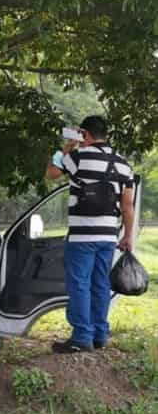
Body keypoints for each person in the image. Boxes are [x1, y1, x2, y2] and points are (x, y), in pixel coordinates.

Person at [46, 115, 135, 354]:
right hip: (108, 237)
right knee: (100, 284)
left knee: (79, 284)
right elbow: (127, 205)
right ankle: (100, 335)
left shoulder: (78, 158)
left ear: (84, 134)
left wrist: (66, 147)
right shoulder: (123, 164)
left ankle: (81, 337)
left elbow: (52, 173)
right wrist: (127, 236)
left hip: (82, 237)